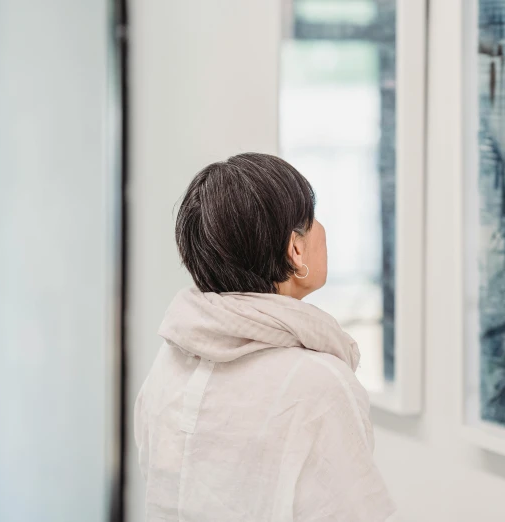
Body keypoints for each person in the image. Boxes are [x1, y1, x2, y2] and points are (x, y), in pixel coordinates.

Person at [134, 153, 396, 521]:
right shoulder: (317, 384)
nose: (322, 229)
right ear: (295, 248)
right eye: (312, 218)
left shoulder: (169, 362)